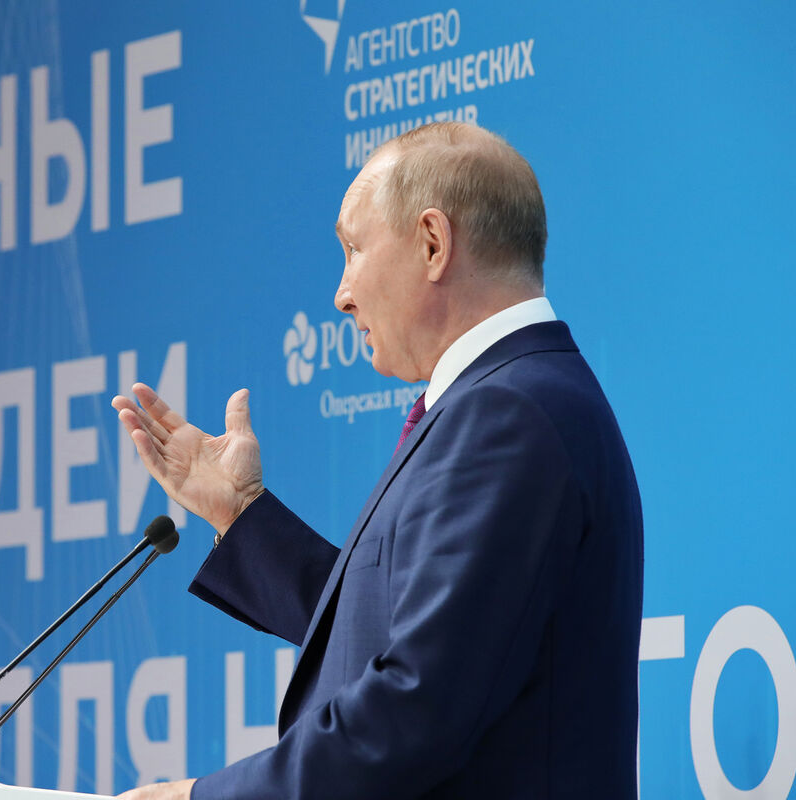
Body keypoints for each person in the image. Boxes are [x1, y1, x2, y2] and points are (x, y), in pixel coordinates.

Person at [112, 122, 643, 799]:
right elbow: (404, 632)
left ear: (432, 243)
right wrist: (240, 513)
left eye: (353, 250)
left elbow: (416, 706)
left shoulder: (506, 414)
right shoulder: (511, 400)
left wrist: (195, 798)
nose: (341, 295)